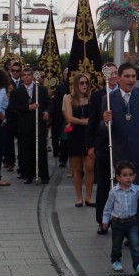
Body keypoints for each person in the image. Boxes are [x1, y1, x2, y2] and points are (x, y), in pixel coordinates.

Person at [95, 63, 139, 249]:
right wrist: (105, 122)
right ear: (119, 78)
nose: (131, 80)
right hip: (120, 156)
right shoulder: (109, 99)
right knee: (122, 199)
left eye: (133, 76)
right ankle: (125, 234)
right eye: (127, 76)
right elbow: (104, 129)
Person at [103, 161, 139, 274]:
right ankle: (116, 261)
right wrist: (105, 221)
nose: (128, 178)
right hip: (117, 223)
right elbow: (108, 208)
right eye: (125, 175)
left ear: (134, 176)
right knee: (117, 245)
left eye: (130, 175)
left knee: (135, 243)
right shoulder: (114, 192)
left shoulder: (136, 190)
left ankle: (138, 264)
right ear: (118, 177)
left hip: (131, 222)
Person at [89, 63, 120, 231]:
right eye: (110, 73)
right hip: (102, 145)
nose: (113, 76)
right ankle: (102, 220)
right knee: (103, 184)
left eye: (116, 73)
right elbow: (93, 122)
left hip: (120, 145)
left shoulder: (125, 94)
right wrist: (91, 145)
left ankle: (121, 219)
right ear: (104, 76)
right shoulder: (97, 96)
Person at [10, 67, 50, 184]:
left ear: (33, 76)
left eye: (29, 75)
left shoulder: (41, 89)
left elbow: (48, 103)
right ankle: (29, 174)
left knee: (41, 150)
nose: (27, 77)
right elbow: (14, 107)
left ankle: (44, 175)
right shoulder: (17, 92)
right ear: (22, 77)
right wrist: (28, 107)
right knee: (26, 151)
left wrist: (47, 112)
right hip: (25, 125)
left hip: (39, 125)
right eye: (25, 75)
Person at [64, 73, 93, 206]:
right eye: (81, 83)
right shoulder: (69, 98)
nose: (84, 85)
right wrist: (85, 122)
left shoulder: (92, 98)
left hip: (88, 136)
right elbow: (69, 118)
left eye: (86, 83)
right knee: (77, 168)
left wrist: (86, 123)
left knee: (90, 167)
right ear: (76, 84)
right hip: (75, 135)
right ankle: (79, 197)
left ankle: (89, 196)